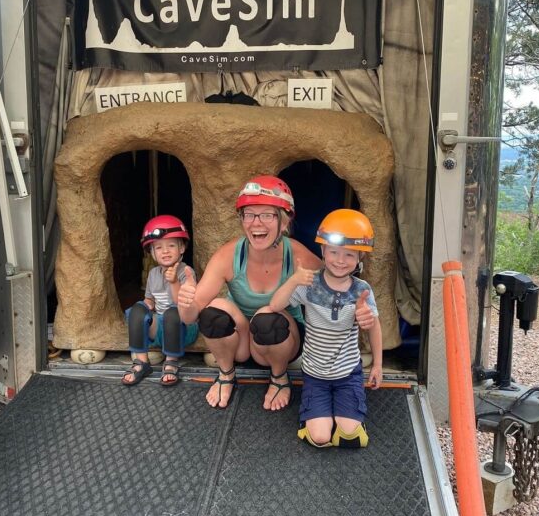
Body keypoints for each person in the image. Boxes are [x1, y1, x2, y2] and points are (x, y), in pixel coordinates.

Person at [177, 175, 323, 410]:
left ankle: (279, 377)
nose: (256, 223)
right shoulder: (228, 255)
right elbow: (190, 316)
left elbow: (334, 285)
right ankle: (226, 373)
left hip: (283, 341)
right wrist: (184, 301)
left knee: (268, 317)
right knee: (213, 312)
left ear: (283, 222)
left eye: (267, 215)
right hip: (243, 344)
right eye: (249, 214)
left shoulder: (297, 255)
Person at [269, 209, 382, 448]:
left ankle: (344, 416)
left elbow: (374, 327)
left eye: (349, 255)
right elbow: (275, 305)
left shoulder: (362, 290)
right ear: (323, 251)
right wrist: (293, 280)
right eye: (334, 252)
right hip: (315, 375)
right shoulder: (310, 284)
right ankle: (317, 419)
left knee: (351, 439)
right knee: (320, 438)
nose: (340, 260)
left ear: (360, 258)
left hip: (348, 374)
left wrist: (378, 365)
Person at [122, 215, 199, 387]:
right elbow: (150, 300)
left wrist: (174, 282)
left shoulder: (185, 271)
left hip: (184, 328)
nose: (165, 251)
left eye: (171, 245)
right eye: (158, 247)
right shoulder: (153, 274)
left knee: (173, 312)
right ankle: (141, 362)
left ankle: (171, 360)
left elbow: (185, 306)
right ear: (151, 252)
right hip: (161, 330)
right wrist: (144, 308)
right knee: (137, 309)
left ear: (182, 248)